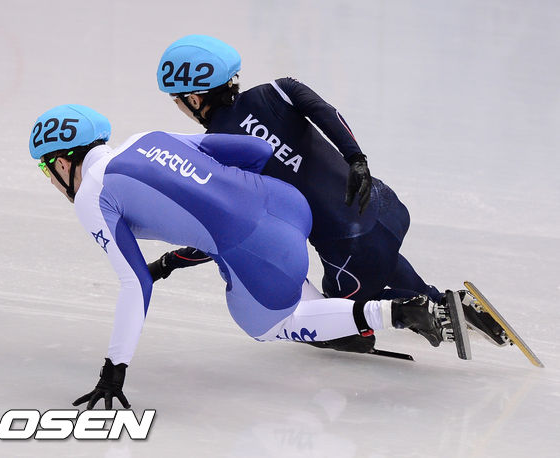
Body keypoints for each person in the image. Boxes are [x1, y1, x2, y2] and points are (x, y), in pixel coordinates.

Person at [29, 104, 454, 409]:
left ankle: (397, 313)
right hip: (286, 203)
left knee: (267, 325)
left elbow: (134, 283)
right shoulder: (146, 139)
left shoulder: (92, 195)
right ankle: (323, 307)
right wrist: (231, 199)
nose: (50, 181)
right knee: (262, 274)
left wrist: (114, 370)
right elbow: (256, 151)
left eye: (46, 171)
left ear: (63, 162)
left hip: (257, 246)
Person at [151, 35, 507, 350]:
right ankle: (446, 302)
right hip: (385, 207)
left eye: (175, 100)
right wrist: (357, 159)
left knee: (331, 324)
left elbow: (222, 232)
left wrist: (168, 263)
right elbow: (324, 111)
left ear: (194, 98)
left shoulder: (216, 155)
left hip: (349, 249)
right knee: (380, 261)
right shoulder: (279, 89)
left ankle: (420, 313)